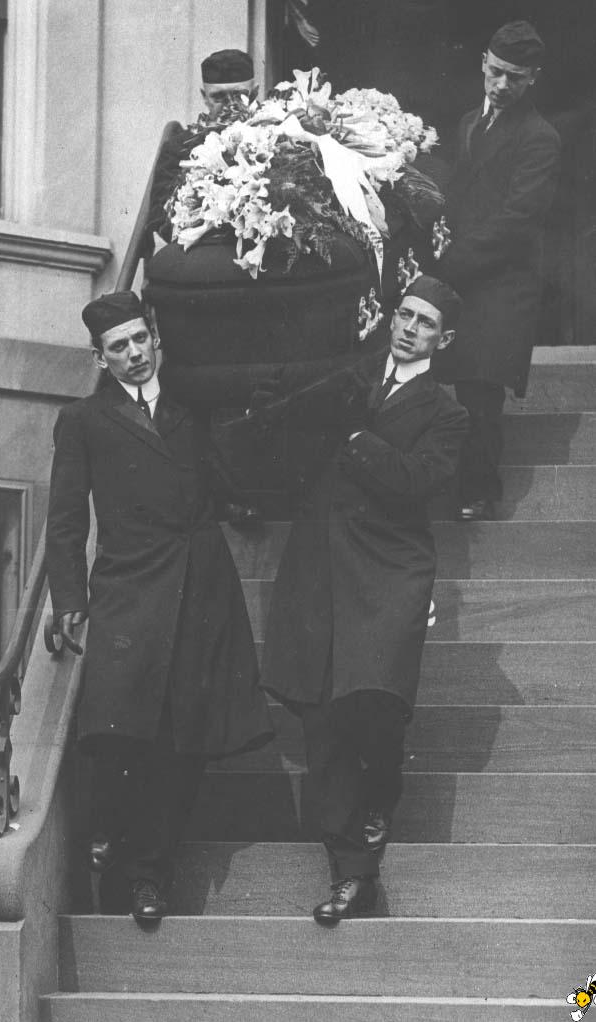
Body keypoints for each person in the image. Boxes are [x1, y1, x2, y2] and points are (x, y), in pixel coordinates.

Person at [45, 290, 272, 924]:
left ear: (155, 338)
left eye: (140, 339)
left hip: (200, 585)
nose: (134, 353)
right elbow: (65, 520)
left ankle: (150, 876)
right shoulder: (83, 421)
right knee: (115, 728)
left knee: (181, 739)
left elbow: (223, 472)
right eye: (118, 347)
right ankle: (110, 836)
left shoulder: (188, 408)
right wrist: (69, 598)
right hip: (128, 585)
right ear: (101, 358)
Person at [257, 275, 468, 923]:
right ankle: (352, 875)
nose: (408, 328)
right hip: (320, 565)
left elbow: (416, 480)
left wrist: (354, 438)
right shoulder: (348, 378)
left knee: (375, 705)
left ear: (443, 340)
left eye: (425, 323)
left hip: (389, 569)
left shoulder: (447, 413)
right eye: (404, 314)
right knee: (323, 719)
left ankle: (381, 791)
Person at [433, 20, 561, 521]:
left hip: (504, 280)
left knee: (480, 384)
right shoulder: (469, 122)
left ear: (533, 79)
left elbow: (517, 222)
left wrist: (447, 262)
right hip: (464, 271)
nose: (502, 85)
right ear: (483, 63)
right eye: (496, 72)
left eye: (515, 77)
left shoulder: (540, 137)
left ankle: (480, 490)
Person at [144, 49, 257, 254]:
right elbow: (159, 217)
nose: (230, 105)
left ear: (255, 92)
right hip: (200, 250)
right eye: (218, 97)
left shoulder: (273, 132)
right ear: (205, 97)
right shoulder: (179, 147)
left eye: (239, 95)